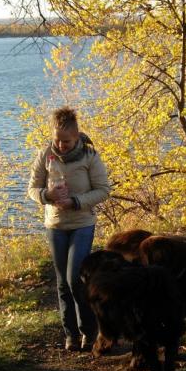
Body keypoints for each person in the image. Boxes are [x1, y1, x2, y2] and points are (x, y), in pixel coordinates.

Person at [27, 107, 111, 351]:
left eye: (66, 141)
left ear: (76, 137)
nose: (60, 146)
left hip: (82, 223)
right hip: (55, 224)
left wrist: (75, 201)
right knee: (62, 282)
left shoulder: (89, 156)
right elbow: (32, 189)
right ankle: (71, 335)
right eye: (57, 140)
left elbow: (104, 190)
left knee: (76, 279)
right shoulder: (44, 155)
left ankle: (89, 330)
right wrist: (47, 195)